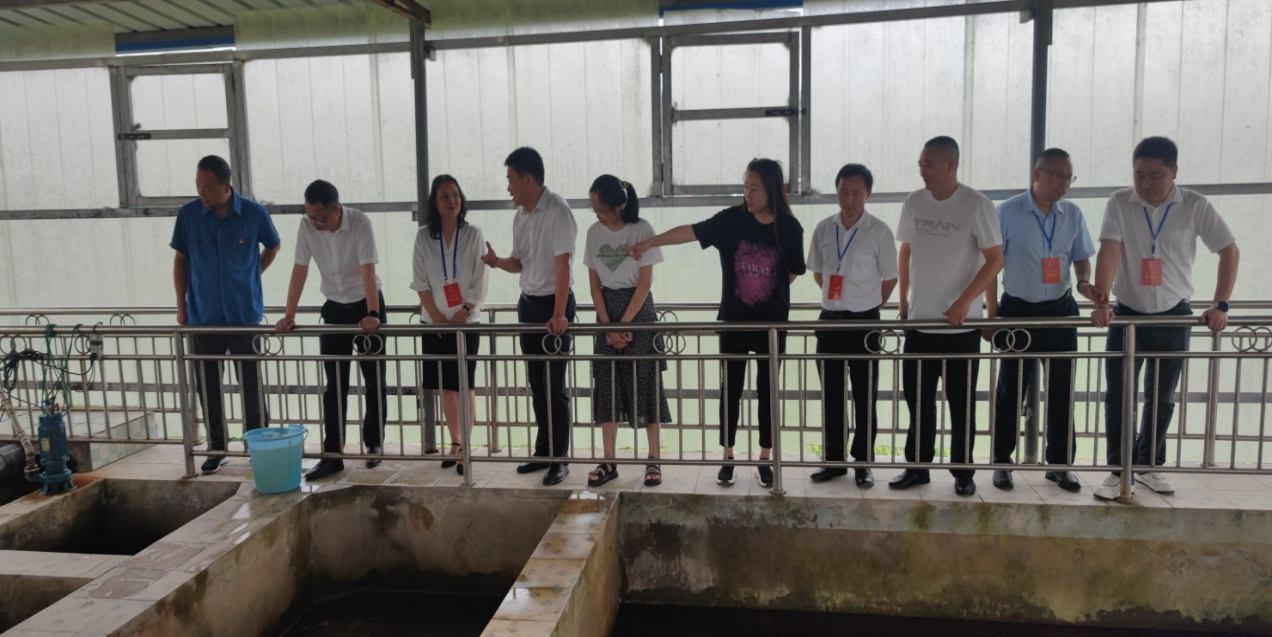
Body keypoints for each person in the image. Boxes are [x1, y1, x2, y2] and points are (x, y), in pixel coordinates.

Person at [627, 158, 805, 489]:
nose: (747, 194)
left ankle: (765, 458)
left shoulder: (790, 229)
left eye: (754, 188)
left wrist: (764, 291)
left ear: (771, 190)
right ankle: (728, 457)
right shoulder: (731, 220)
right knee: (730, 390)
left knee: (768, 392)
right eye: (745, 187)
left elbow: (793, 271)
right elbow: (690, 231)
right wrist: (650, 242)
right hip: (733, 323)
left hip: (771, 327)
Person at [1089, 136, 1239, 501]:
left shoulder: (1195, 205)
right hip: (1126, 315)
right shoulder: (1119, 202)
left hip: (1174, 315)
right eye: (1139, 175)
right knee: (1119, 395)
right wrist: (1102, 300)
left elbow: (1229, 251)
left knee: (1162, 397)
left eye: (1155, 175)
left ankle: (1149, 466)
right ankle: (1118, 470)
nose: (1145, 183)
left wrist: (1220, 305)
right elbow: (1109, 251)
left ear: (1174, 172)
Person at [892, 136, 1003, 497]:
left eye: (928, 163)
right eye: (920, 163)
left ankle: (963, 472)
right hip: (920, 326)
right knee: (918, 402)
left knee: (962, 405)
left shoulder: (976, 205)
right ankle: (917, 467)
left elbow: (995, 259)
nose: (922, 170)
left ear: (950, 165)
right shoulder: (913, 202)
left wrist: (965, 303)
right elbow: (906, 251)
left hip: (961, 330)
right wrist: (903, 300)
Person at [987, 149, 1097, 493]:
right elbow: (990, 265)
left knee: (1062, 390)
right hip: (1018, 311)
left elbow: (1081, 258)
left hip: (1060, 311)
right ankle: (1002, 462)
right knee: (1011, 389)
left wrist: (1084, 283)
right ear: (1037, 175)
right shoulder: (1007, 212)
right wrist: (992, 315)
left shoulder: (1073, 213)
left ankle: (1059, 465)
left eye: (1068, 177)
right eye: (1057, 175)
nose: (1064, 184)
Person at [171, 155, 280, 474]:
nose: (201, 193)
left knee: (251, 385)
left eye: (207, 188)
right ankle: (217, 447)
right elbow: (181, 260)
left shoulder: (254, 213)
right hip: (202, 317)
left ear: (226, 186)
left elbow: (273, 246)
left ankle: (258, 445)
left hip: (244, 315)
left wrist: (252, 274)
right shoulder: (188, 215)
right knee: (207, 385)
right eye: (198, 186)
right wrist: (181, 305)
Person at [275, 180, 386, 481]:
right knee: (334, 384)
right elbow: (300, 269)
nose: (313, 222)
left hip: (366, 304)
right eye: (309, 215)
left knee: (374, 378)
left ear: (336, 210)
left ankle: (373, 443)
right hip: (334, 308)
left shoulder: (360, 223)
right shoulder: (306, 225)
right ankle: (332, 454)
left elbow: (368, 270)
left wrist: (373, 314)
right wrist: (289, 315)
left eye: (319, 217)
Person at [482, 147, 578, 486]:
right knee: (537, 384)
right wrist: (497, 262)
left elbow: (563, 266)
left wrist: (559, 314)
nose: (508, 187)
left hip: (555, 306)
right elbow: (519, 263)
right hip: (529, 305)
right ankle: (543, 451)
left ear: (528, 179)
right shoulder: (520, 216)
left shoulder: (558, 211)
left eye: (511, 180)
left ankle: (560, 459)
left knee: (554, 386)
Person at [806, 163, 897, 487]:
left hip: (865, 324)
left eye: (856, 193)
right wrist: (839, 301)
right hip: (830, 323)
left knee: (864, 395)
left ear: (867, 194)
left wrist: (868, 303)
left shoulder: (879, 231)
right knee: (831, 396)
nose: (849, 199)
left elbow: (890, 278)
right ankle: (834, 461)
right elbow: (819, 273)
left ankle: (863, 462)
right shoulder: (823, 229)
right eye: (843, 192)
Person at [582, 175, 672, 489]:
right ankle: (608, 460)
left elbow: (645, 283)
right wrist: (608, 326)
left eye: (601, 209)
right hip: (607, 312)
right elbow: (594, 285)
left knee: (646, 381)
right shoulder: (593, 233)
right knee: (606, 383)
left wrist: (624, 325)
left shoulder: (642, 229)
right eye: (594, 209)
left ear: (619, 205)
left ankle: (653, 458)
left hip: (638, 311)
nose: (597, 215)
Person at [411, 175, 488, 476]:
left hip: (467, 322)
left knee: (464, 383)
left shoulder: (473, 233)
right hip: (435, 323)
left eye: (455, 194)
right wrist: (437, 317)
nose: (451, 200)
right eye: (444, 196)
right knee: (446, 385)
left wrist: (466, 309)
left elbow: (481, 276)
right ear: (434, 201)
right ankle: (455, 442)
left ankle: (466, 445)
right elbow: (420, 281)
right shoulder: (423, 237)